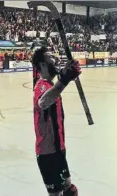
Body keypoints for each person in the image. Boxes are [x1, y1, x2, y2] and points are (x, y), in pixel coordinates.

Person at [32, 46, 81, 196]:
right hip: (48, 153)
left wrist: (66, 74)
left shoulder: (50, 85)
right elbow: (43, 102)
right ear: (43, 65)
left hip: (59, 148)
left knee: (69, 190)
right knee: (56, 193)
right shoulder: (41, 86)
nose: (56, 58)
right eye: (51, 57)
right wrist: (64, 80)